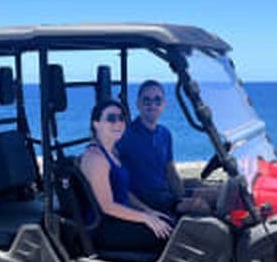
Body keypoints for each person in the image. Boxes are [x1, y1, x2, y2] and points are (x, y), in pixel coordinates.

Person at [79, 99, 173, 252]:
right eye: (111, 118)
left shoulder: (113, 153)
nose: (118, 123)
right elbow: (107, 206)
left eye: (121, 118)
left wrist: (147, 211)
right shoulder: (96, 158)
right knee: (168, 236)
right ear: (96, 123)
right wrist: (145, 218)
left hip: (121, 217)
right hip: (106, 226)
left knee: (168, 221)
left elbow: (124, 193)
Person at [117, 80, 214, 216]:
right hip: (147, 200)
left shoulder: (164, 133)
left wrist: (181, 197)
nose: (152, 105)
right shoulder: (125, 136)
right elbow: (114, 177)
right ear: (138, 104)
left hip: (165, 193)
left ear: (164, 104)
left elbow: (170, 171)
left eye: (157, 100)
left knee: (217, 193)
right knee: (200, 205)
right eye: (146, 100)